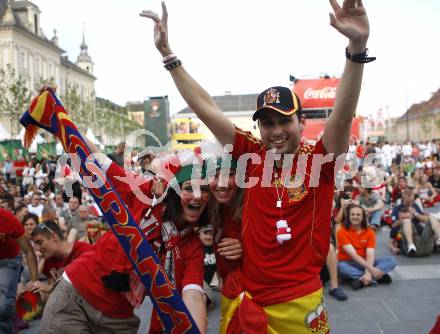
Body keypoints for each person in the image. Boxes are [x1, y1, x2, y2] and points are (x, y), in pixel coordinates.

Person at [141, 0, 372, 331]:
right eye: (266, 123)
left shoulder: (321, 162)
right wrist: (169, 56)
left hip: (299, 306)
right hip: (246, 303)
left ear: (302, 121)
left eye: (283, 122)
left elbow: (342, 114)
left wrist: (357, 48)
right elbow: (207, 108)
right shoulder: (253, 156)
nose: (275, 131)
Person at [337, 204, 396, 290]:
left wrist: (368, 271)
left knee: (391, 260)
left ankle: (360, 279)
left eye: (358, 215)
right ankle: (376, 277)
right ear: (348, 217)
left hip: (367, 262)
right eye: (352, 214)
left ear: (362, 217)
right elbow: (353, 255)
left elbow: (370, 254)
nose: (355, 217)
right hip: (349, 263)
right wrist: (371, 270)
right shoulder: (342, 231)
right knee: (341, 267)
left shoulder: (369, 232)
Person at [27, 221, 92, 299]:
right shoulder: (49, 260)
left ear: (54, 237)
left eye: (40, 243)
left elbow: (89, 287)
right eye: (35, 244)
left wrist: (50, 288)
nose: (37, 248)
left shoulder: (84, 251)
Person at [0, 207, 38, 334]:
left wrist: (34, 280)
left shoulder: (7, 219)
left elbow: (28, 251)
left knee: (3, 305)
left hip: (8, 260)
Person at [391, 189, 440, 257]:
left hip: (423, 242)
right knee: (407, 221)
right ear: (403, 199)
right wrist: (404, 218)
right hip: (411, 244)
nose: (410, 203)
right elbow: (393, 225)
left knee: (432, 217)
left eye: (412, 201)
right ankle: (411, 246)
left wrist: (415, 214)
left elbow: (426, 220)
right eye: (408, 201)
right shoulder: (397, 209)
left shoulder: (415, 206)